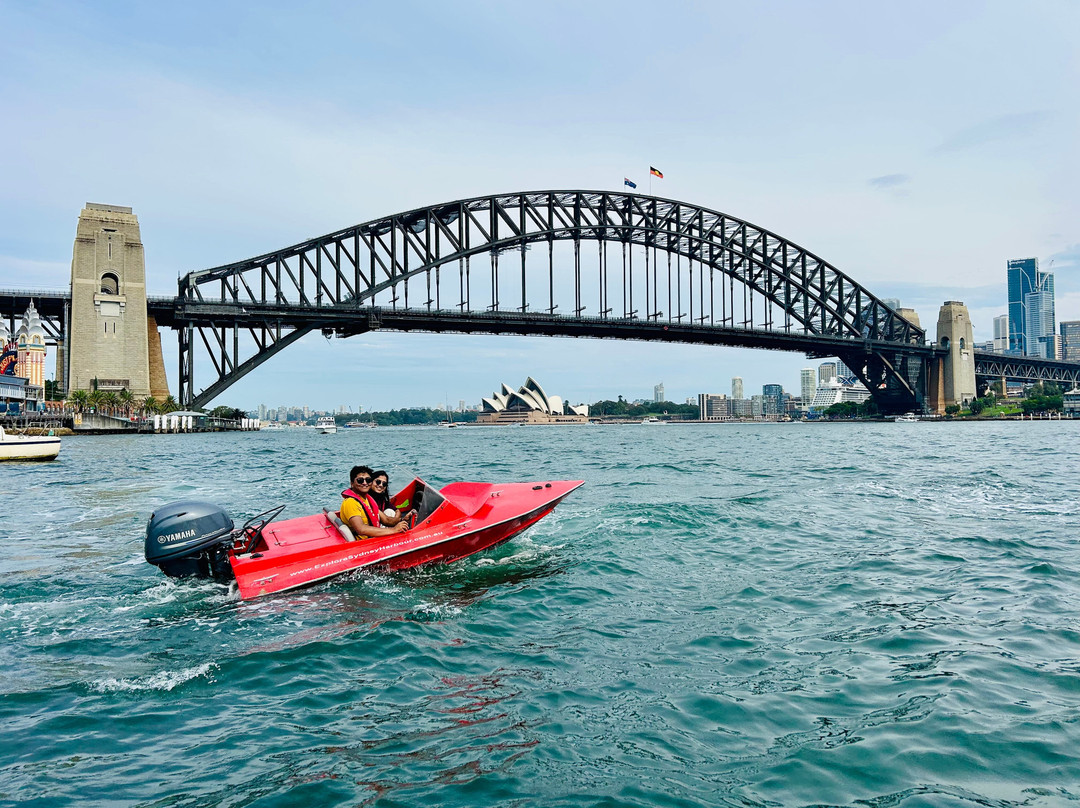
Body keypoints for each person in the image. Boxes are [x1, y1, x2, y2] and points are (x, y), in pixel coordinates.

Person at [340, 465, 408, 538]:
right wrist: (394, 530)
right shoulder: (351, 502)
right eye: (360, 480)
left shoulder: (366, 499)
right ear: (352, 483)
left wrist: (403, 520)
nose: (365, 483)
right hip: (366, 543)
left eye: (368, 480)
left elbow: (387, 521)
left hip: (372, 537)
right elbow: (361, 529)